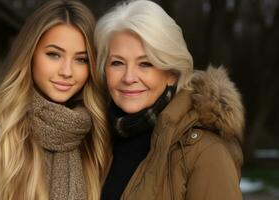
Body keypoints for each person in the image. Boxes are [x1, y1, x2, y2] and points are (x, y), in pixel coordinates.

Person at [0, 0, 108, 199]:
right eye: (54, 55)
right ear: (30, 54)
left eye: (81, 59)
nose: (67, 71)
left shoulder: (93, 141)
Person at [94, 0, 244, 199]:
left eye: (145, 63)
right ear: (104, 70)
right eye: (117, 63)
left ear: (172, 73)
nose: (129, 78)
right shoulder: (96, 142)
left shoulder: (205, 152)